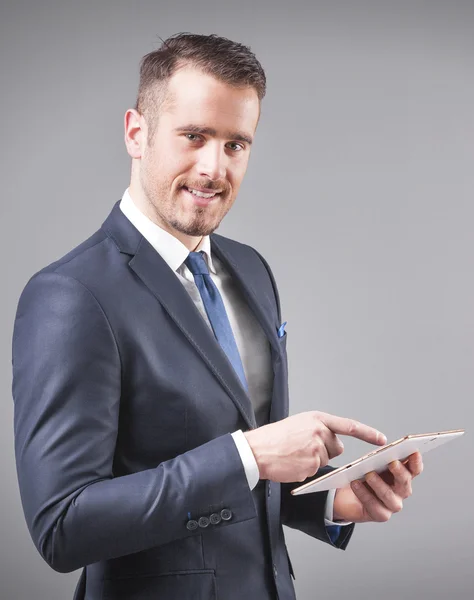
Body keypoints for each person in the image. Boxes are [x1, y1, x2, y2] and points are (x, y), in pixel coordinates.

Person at [12, 33, 423, 600]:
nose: (214, 167)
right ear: (137, 132)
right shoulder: (70, 296)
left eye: (236, 144)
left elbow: (236, 473)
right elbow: (63, 525)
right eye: (194, 136)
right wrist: (250, 454)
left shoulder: (252, 271)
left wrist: (329, 499)